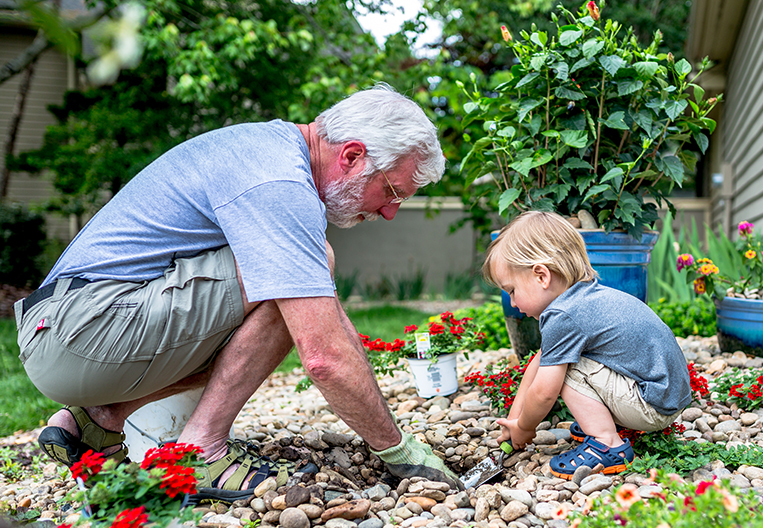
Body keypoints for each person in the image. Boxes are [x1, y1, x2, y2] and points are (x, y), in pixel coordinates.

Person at [14, 83, 461, 501]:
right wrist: (398, 450)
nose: (389, 212)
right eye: (392, 191)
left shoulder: (270, 152)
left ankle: (99, 421)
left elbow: (329, 319)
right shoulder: (279, 183)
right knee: (300, 274)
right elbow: (324, 358)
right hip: (80, 331)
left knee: (296, 284)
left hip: (67, 331)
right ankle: (201, 453)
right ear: (352, 156)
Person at [481, 211, 691, 480]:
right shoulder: (582, 298)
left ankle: (607, 443)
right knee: (553, 361)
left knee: (565, 369)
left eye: (511, 290)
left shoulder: (562, 316)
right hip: (665, 395)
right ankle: (606, 424)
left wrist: (525, 427)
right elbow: (539, 360)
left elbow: (545, 392)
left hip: (652, 406)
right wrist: (514, 418)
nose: (512, 302)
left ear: (541, 276)